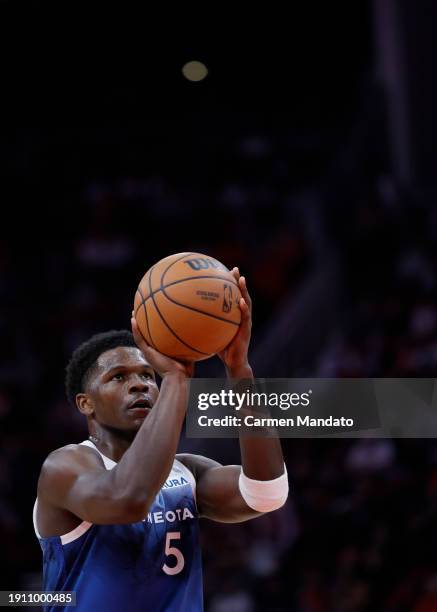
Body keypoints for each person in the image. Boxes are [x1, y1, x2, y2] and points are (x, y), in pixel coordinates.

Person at [33, 269, 288, 611]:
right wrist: (176, 380)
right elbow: (129, 499)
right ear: (86, 403)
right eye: (118, 377)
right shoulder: (64, 467)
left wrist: (239, 371)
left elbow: (267, 493)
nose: (140, 385)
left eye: (147, 375)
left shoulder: (186, 472)